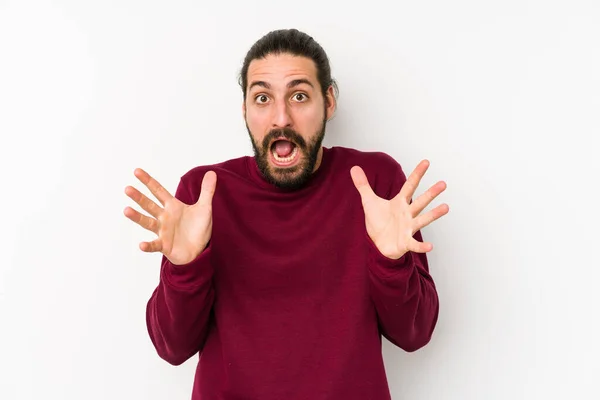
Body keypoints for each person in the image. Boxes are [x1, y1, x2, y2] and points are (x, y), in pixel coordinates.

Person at [124, 28, 449, 400]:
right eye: (262, 98)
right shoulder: (203, 195)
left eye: (299, 96)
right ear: (244, 108)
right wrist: (183, 271)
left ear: (328, 102)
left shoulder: (374, 184)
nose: (281, 118)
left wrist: (392, 263)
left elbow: (415, 334)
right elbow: (172, 348)